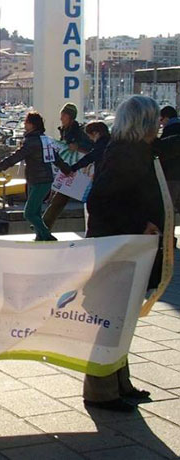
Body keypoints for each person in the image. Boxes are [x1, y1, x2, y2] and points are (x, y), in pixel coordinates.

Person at [82, 95, 164, 412]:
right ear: (143, 122)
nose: (160, 124)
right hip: (117, 251)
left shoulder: (135, 151)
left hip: (126, 250)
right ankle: (101, 392)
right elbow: (99, 202)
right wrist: (138, 225)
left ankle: (119, 384)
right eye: (155, 119)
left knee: (120, 320)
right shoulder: (126, 155)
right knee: (110, 321)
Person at [0, 112, 70, 241]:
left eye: (26, 122)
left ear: (32, 125)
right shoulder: (45, 139)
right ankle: (39, 236)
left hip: (39, 181)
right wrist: (67, 170)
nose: (24, 124)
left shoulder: (31, 142)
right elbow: (56, 158)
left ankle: (47, 236)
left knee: (29, 213)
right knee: (36, 211)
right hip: (42, 180)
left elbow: (14, 158)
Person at [42, 103, 92, 229]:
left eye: (63, 115)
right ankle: (44, 224)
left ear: (70, 117)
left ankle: (44, 225)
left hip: (81, 171)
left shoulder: (80, 132)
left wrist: (78, 147)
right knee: (60, 197)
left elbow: (93, 149)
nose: (61, 118)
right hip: (71, 170)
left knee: (62, 197)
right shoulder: (65, 131)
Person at [156, 106, 180, 210]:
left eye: (161, 120)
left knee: (169, 207)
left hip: (172, 174)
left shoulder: (169, 131)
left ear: (166, 118)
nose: (161, 124)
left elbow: (163, 151)